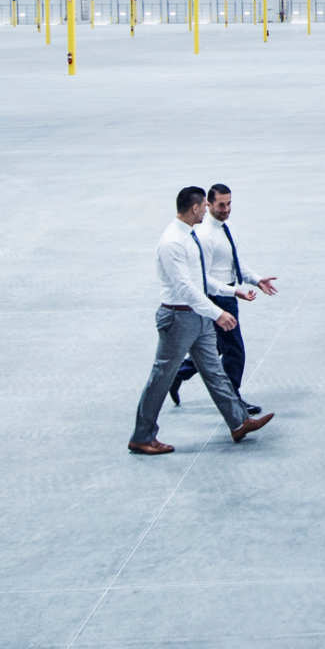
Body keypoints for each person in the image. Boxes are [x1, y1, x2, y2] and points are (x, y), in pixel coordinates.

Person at [128, 186, 273, 455]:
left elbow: (202, 281)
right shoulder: (173, 242)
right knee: (161, 377)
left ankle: (239, 422)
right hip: (178, 318)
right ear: (195, 208)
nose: (207, 210)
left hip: (197, 315)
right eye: (205, 207)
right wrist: (217, 313)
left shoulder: (189, 236)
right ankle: (142, 436)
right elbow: (185, 288)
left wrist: (233, 291)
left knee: (215, 372)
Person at [171, 182, 277, 413]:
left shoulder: (227, 227)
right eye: (221, 204)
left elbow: (234, 263)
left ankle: (177, 375)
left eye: (229, 204)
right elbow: (203, 278)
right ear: (208, 204)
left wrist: (257, 280)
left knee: (216, 346)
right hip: (217, 297)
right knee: (234, 350)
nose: (226, 209)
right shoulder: (205, 236)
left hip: (228, 293)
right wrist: (233, 292)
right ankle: (234, 400)